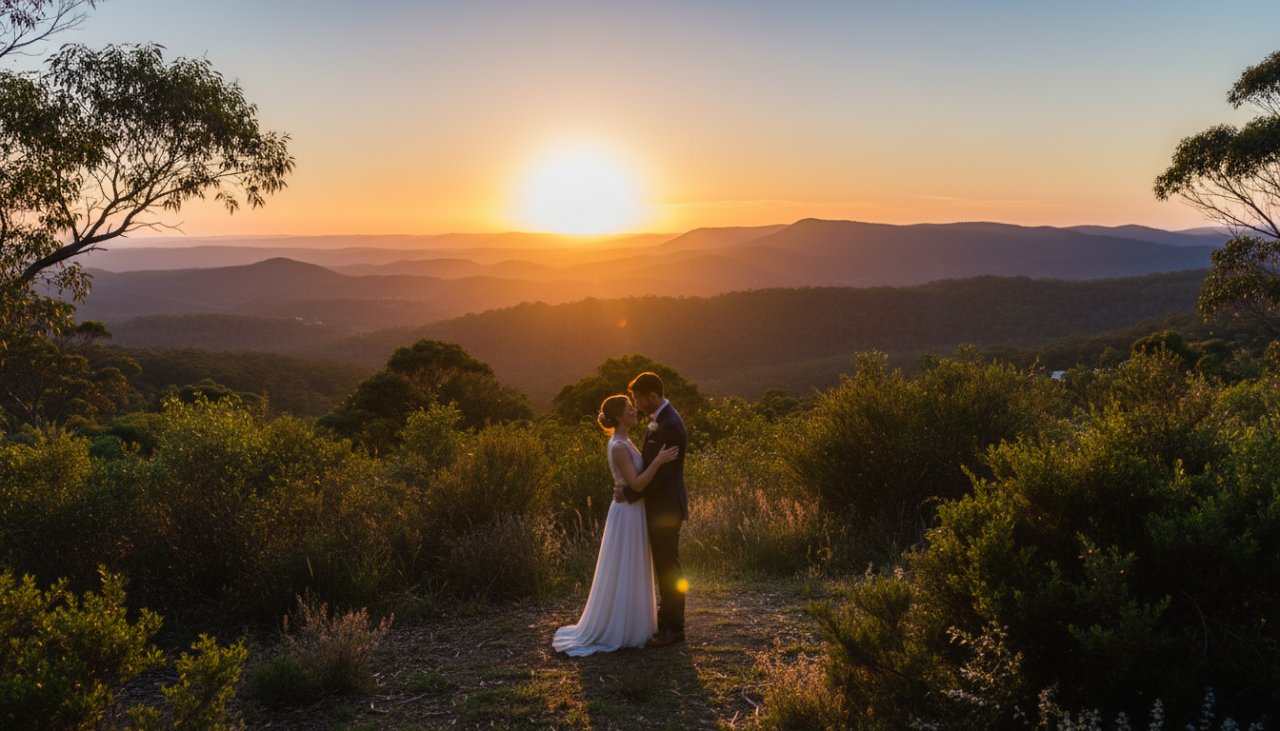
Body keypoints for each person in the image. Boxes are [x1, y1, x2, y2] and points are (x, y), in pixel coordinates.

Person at [553, 394, 680, 656]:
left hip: (634, 510)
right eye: (629, 408)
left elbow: (629, 483)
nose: (635, 409)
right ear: (620, 417)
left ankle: (634, 622)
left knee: (632, 565)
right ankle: (621, 627)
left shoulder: (625, 441)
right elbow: (637, 484)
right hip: (627, 513)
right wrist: (659, 461)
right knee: (625, 565)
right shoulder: (619, 446)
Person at [618, 371, 688, 647]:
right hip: (660, 506)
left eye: (637, 397)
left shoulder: (669, 424)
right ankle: (665, 618)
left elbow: (663, 476)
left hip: (667, 508)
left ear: (653, 396)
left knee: (668, 567)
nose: (635, 403)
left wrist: (628, 492)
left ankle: (674, 628)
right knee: (662, 565)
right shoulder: (660, 421)